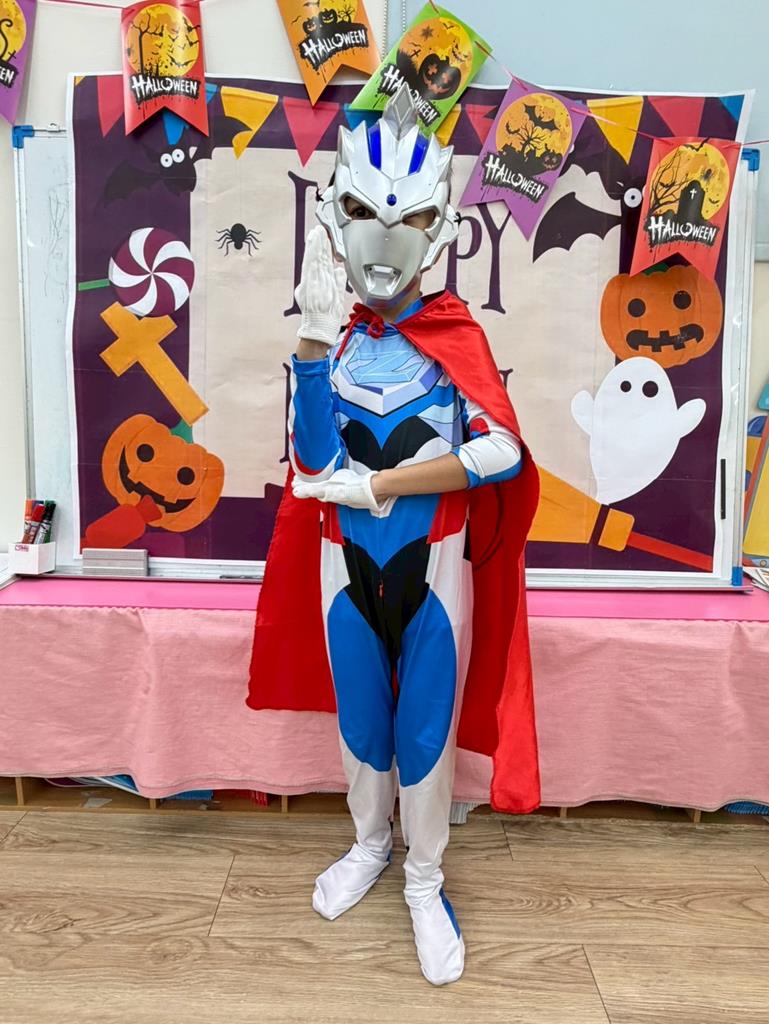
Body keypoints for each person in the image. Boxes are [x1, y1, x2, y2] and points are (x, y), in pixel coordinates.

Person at [247, 84, 540, 986]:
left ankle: (423, 877)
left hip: (434, 570)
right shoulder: (335, 344)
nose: (385, 236)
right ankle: (370, 846)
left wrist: (380, 483)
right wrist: (309, 345)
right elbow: (310, 464)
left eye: (406, 216)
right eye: (365, 214)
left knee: (425, 729)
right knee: (362, 722)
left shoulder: (454, 340)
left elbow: (498, 453)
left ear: (438, 226)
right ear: (336, 220)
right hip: (344, 569)